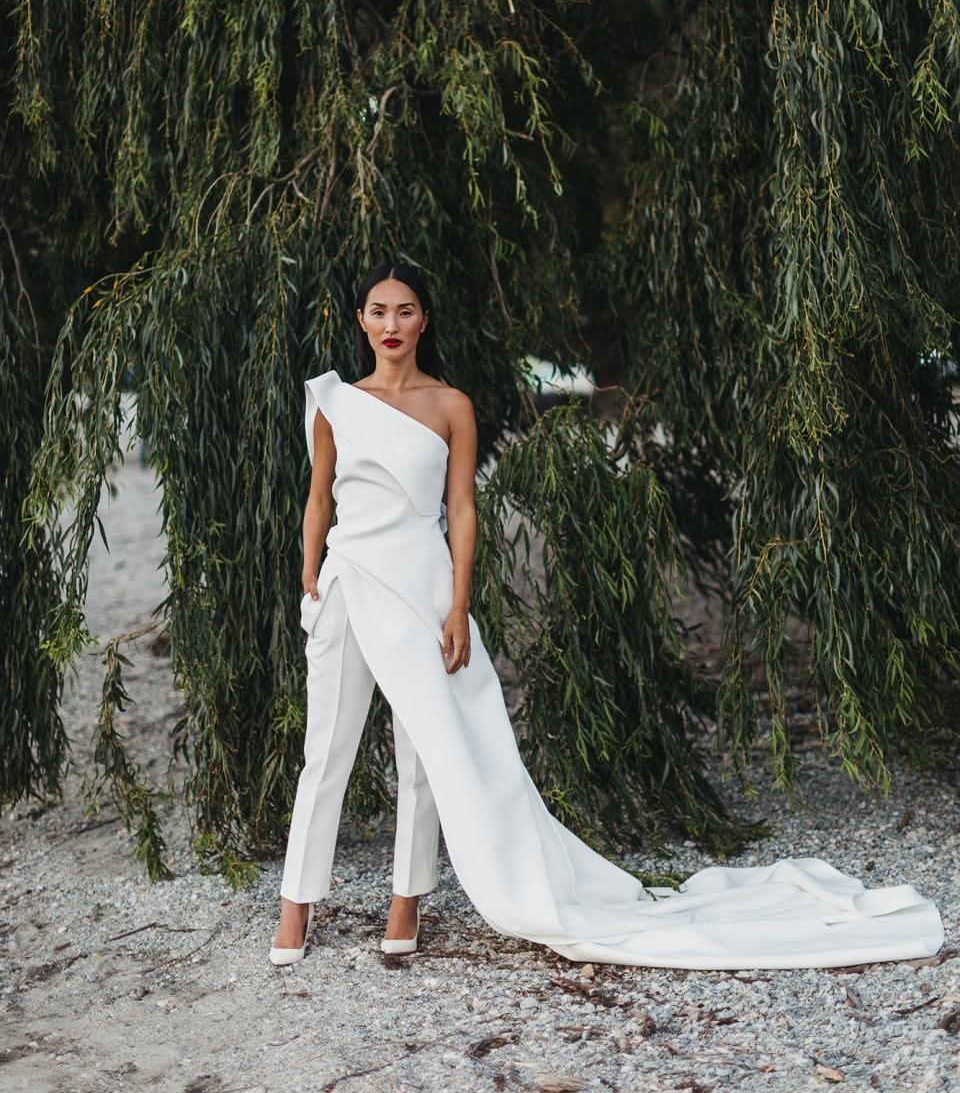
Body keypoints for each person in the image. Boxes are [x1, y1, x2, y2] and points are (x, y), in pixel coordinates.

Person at [269, 261, 945, 969]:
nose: (391, 326)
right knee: (327, 748)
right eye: (378, 312)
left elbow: (463, 508)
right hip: (349, 582)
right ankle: (296, 904)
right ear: (360, 321)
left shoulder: (451, 405)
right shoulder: (335, 403)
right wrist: (310, 569)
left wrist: (461, 603)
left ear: (424, 320)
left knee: (427, 749)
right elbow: (320, 495)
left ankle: (406, 900)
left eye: (405, 311)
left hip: (423, 584)